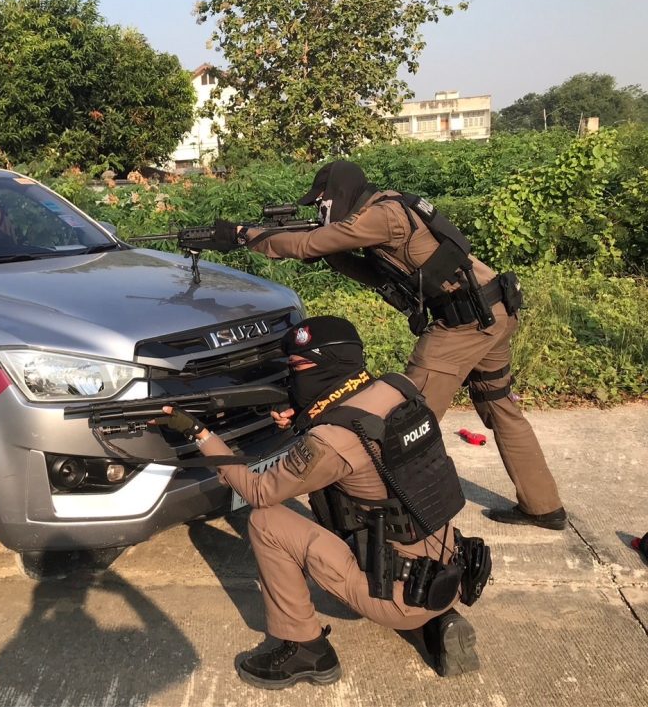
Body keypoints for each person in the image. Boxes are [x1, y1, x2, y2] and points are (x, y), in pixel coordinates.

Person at [214, 160, 566, 530]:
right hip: (493, 312)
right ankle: (543, 506)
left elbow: (307, 244)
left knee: (404, 417)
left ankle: (389, 520)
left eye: (321, 203)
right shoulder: (387, 207)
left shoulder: (382, 216)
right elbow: (372, 274)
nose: (320, 212)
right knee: (499, 405)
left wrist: (243, 235)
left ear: (339, 195)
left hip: (465, 322)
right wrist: (331, 255)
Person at [155, 316, 490, 689]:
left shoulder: (333, 439)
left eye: (298, 367)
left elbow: (258, 491)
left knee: (266, 522)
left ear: (329, 363)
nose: (293, 377)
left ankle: (306, 648)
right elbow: (347, 426)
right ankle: (436, 618)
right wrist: (306, 417)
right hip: (447, 569)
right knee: (370, 508)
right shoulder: (398, 388)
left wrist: (200, 434)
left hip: (394, 594)